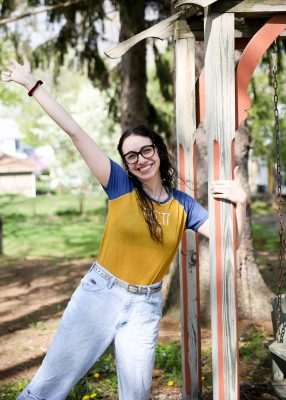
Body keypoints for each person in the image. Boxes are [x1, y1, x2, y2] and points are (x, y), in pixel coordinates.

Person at [1, 57, 247, 400]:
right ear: (126, 164)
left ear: (158, 153)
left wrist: (241, 204)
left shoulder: (184, 205)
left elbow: (227, 243)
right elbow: (75, 131)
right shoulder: (118, 185)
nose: (140, 159)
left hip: (145, 306)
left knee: (136, 395)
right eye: (131, 156)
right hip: (99, 296)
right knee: (47, 388)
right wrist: (32, 85)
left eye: (146, 150)